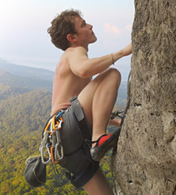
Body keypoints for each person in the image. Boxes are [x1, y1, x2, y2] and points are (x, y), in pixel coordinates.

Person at [47, 9, 132, 195]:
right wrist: (122, 52)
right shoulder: (73, 52)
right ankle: (98, 138)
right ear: (72, 37)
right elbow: (84, 69)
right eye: (84, 24)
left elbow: (89, 106)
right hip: (68, 129)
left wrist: (115, 121)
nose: (90, 26)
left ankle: (96, 140)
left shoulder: (71, 55)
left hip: (65, 147)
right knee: (111, 74)